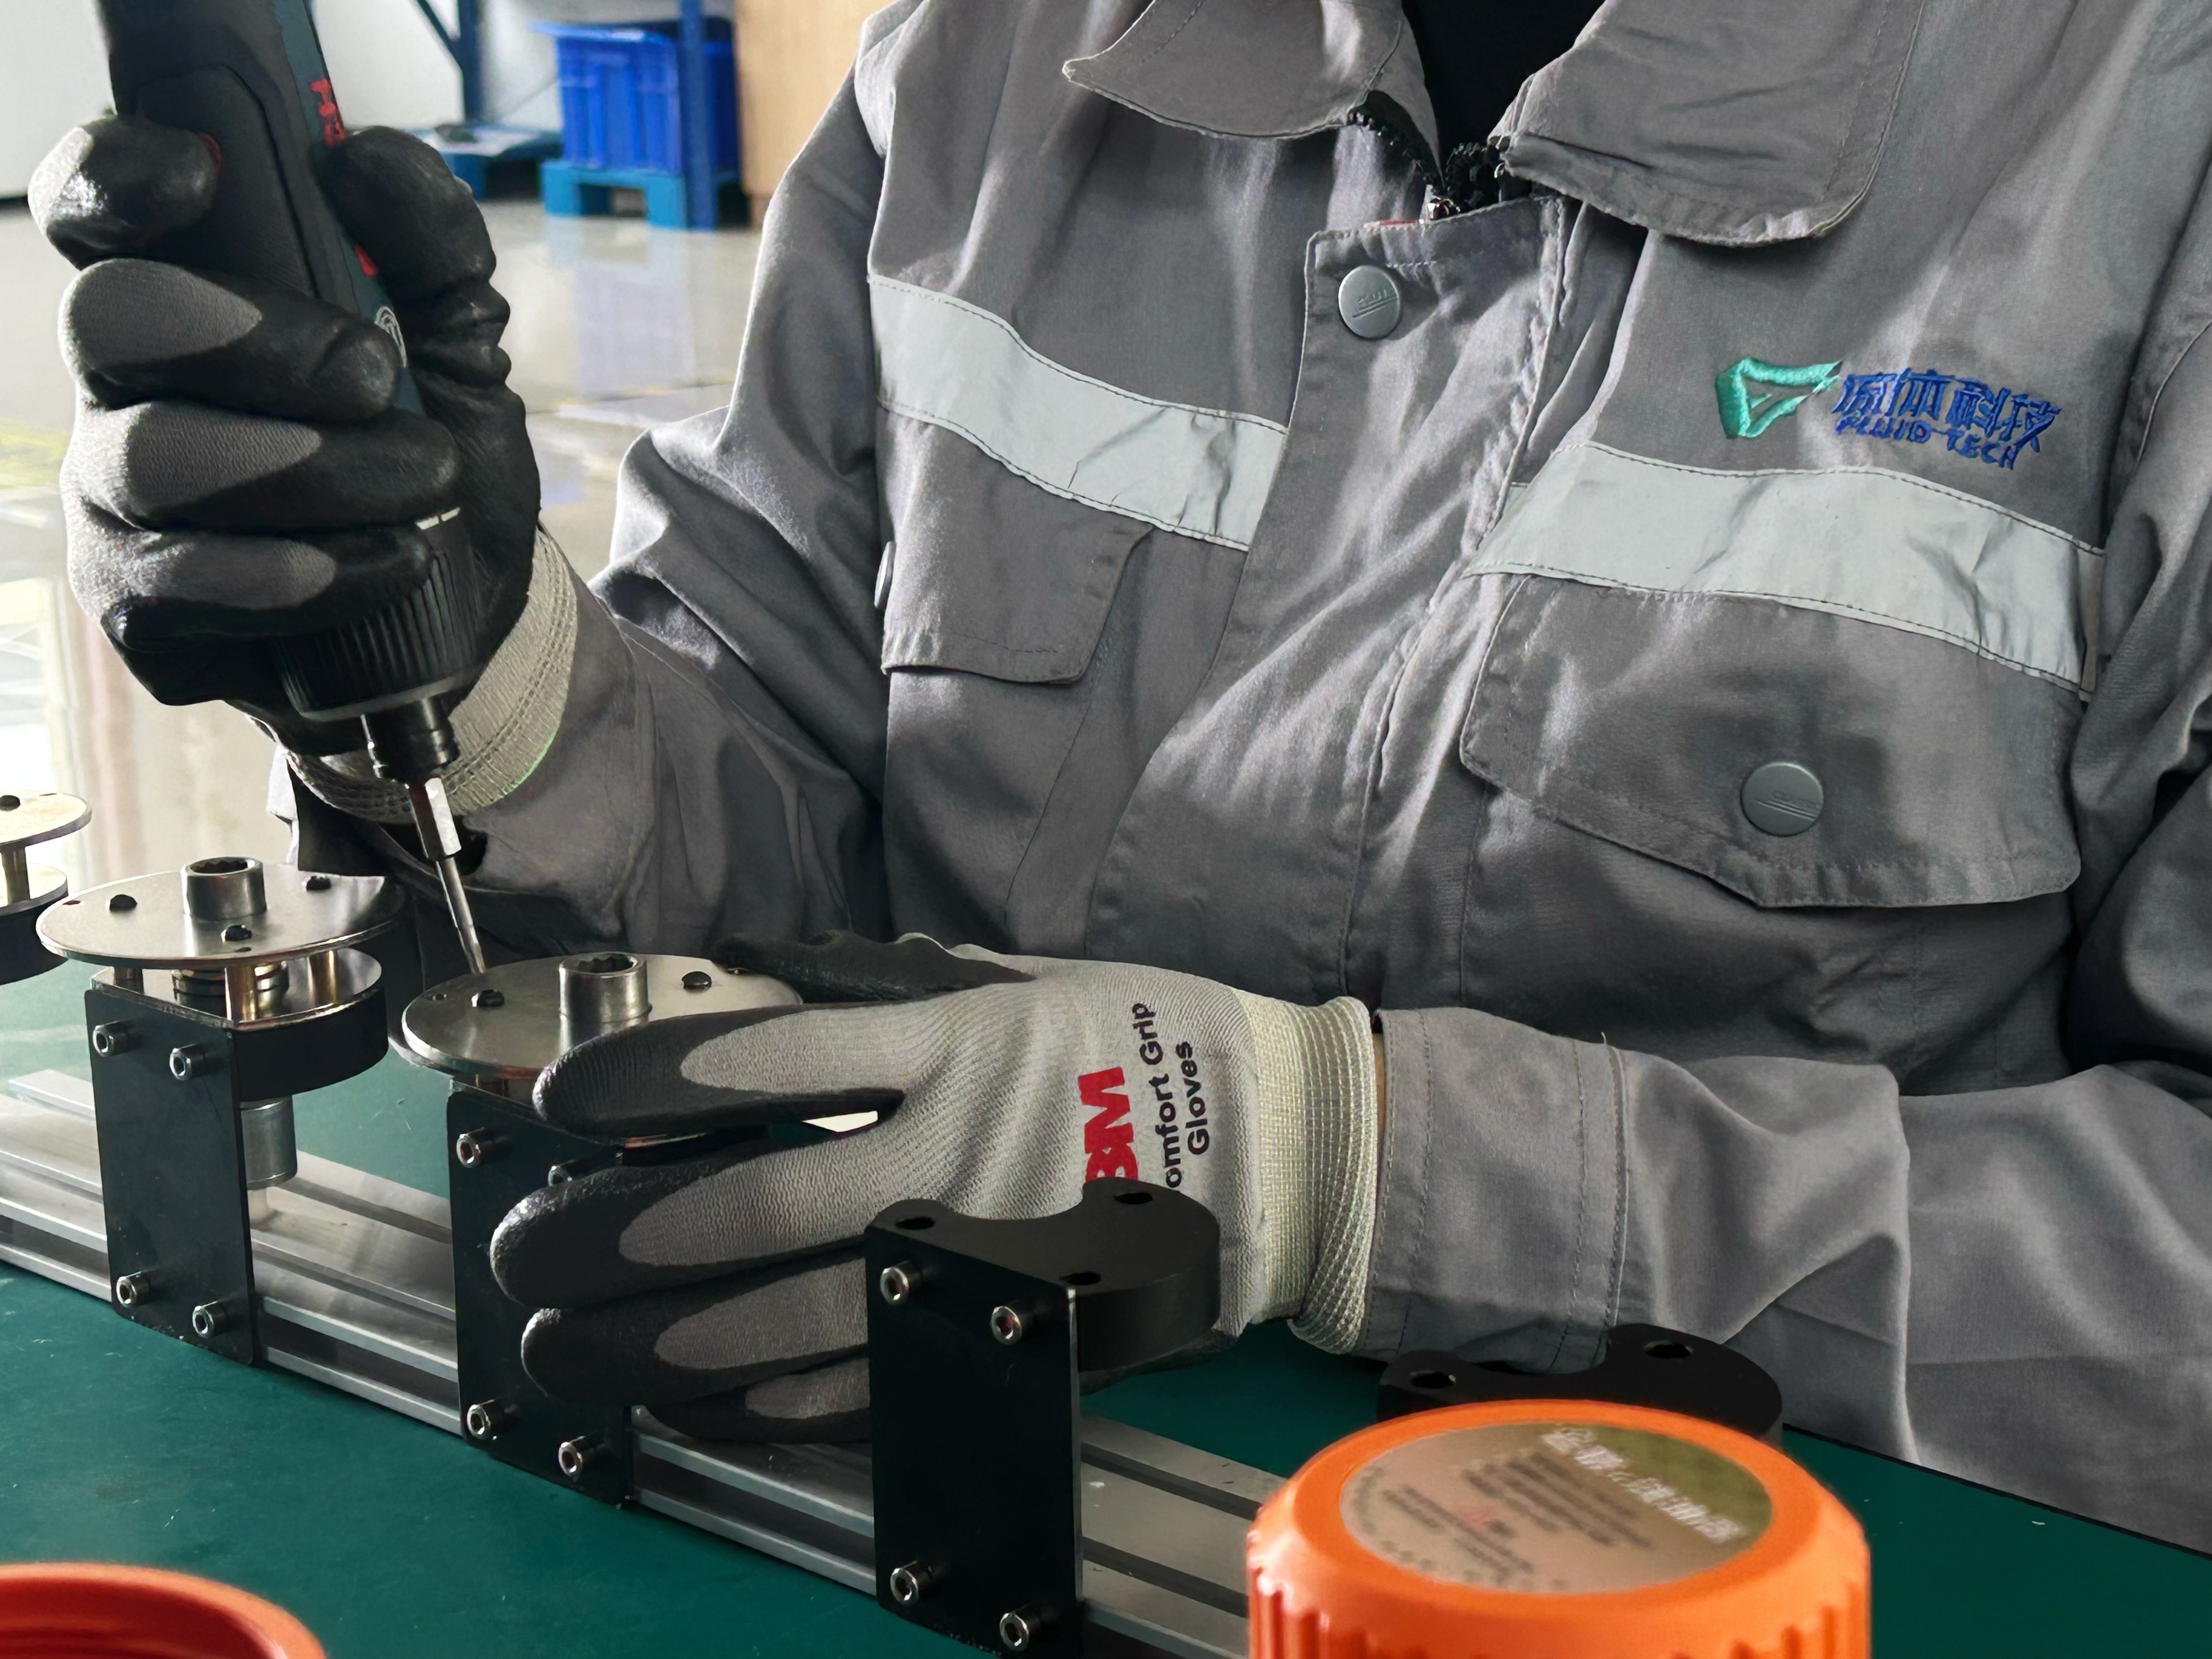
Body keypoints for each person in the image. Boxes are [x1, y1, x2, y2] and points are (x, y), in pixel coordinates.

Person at [32, 0, 2212, 1551]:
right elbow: (775, 816)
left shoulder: (2149, 150)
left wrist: (1339, 1164)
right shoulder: (990, 59)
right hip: (902, 1512)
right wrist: (498, 687)